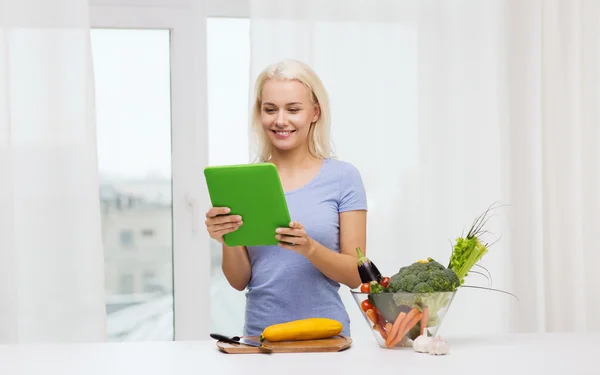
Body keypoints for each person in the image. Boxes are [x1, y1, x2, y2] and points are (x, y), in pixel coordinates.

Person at [204, 59, 368, 338]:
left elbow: (357, 274)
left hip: (327, 340)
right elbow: (238, 280)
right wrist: (226, 238)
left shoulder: (343, 177)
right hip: (260, 339)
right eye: (270, 109)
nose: (280, 120)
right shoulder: (246, 183)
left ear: (314, 113)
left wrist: (309, 248)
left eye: (293, 109)